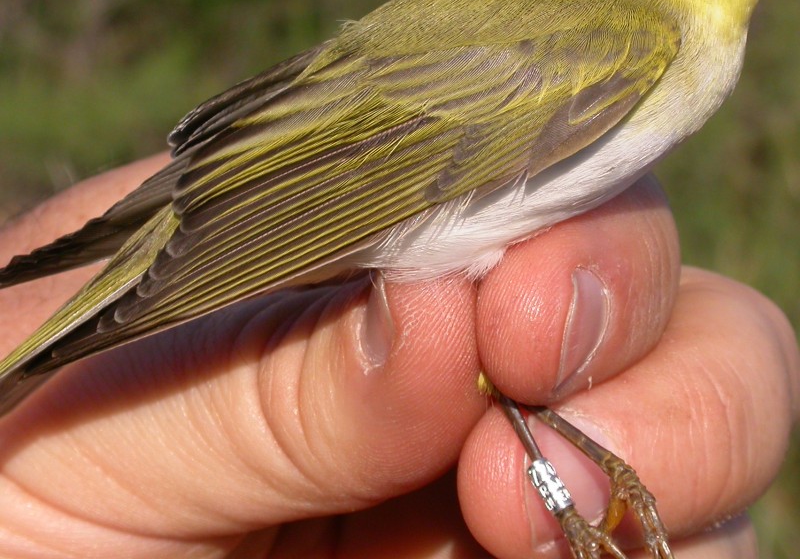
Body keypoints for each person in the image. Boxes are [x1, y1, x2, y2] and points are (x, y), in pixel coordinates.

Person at [0, 154, 796, 558]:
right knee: (496, 333)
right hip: (330, 189)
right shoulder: (628, 26)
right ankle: (562, 488)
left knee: (512, 335)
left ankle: (561, 485)